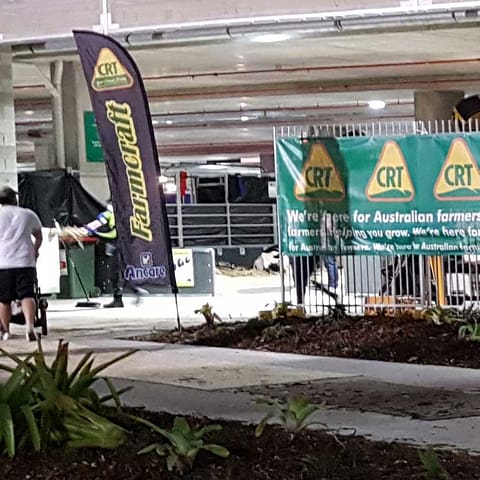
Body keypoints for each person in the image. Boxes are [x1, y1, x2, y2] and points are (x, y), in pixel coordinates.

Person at [0, 186, 43, 341]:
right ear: (15, 199)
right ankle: (30, 327)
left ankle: (5, 332)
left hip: (3, 262)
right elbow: (38, 236)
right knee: (27, 295)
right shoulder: (28, 214)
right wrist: (36, 250)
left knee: (4, 299)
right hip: (25, 261)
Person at [84, 202, 124, 308]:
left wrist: (90, 231)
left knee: (115, 272)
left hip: (116, 245)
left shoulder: (111, 215)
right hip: (117, 245)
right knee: (115, 272)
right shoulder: (119, 214)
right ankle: (118, 297)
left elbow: (110, 232)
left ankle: (119, 298)